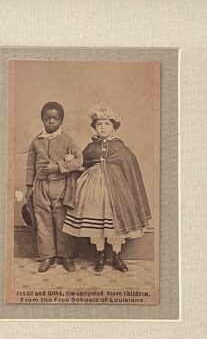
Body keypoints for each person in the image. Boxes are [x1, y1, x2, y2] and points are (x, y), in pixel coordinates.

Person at [63, 105, 150, 273]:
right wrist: (73, 162)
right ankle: (100, 254)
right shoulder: (91, 147)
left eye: (107, 124)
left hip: (115, 193)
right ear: (94, 127)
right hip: (92, 191)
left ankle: (116, 255)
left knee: (113, 224)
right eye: (99, 124)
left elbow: (129, 169)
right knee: (96, 224)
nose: (103, 127)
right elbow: (81, 162)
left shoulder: (120, 148)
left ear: (114, 127)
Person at [25, 101, 83, 272]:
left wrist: (59, 166)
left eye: (55, 118)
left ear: (61, 120)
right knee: (43, 222)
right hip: (40, 187)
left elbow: (79, 161)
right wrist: (29, 186)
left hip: (60, 186)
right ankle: (47, 256)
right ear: (42, 120)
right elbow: (30, 165)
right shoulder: (36, 141)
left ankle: (65, 255)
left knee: (61, 221)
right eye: (47, 118)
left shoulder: (67, 140)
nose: (51, 121)